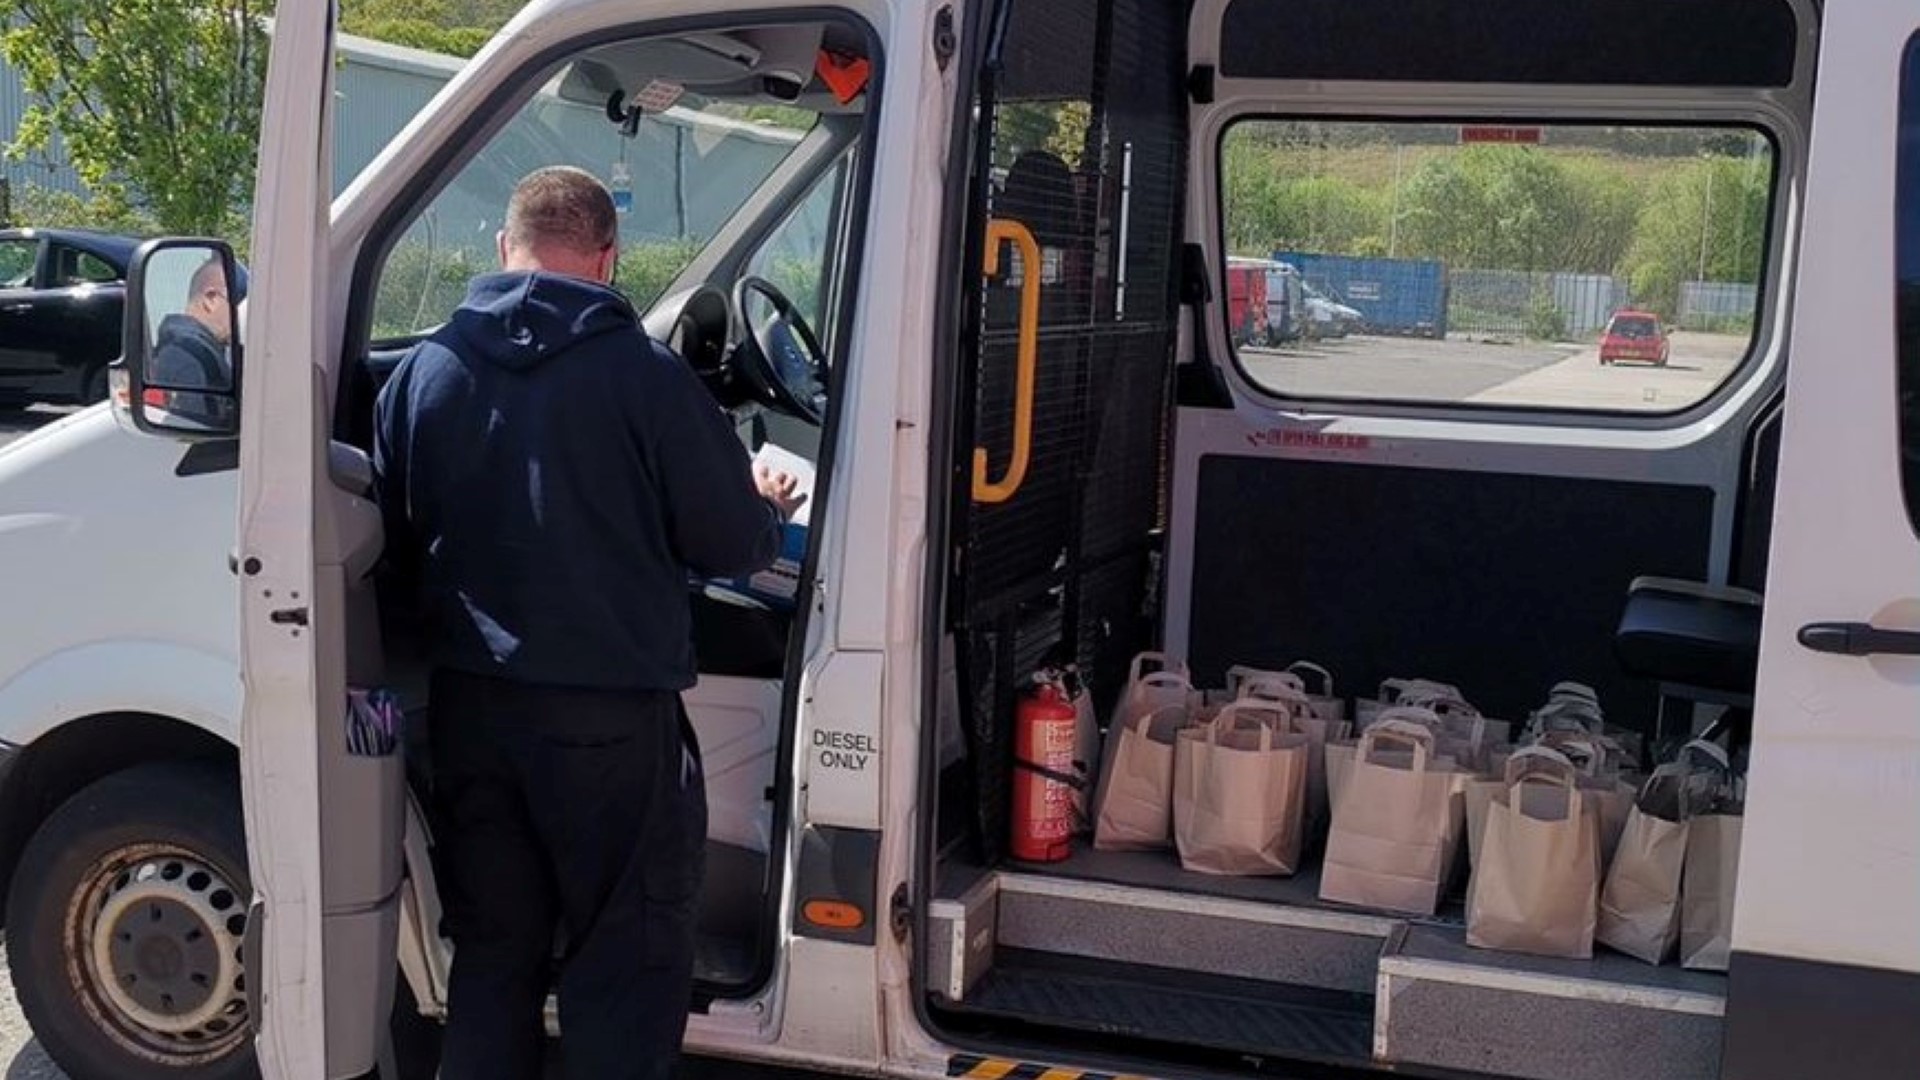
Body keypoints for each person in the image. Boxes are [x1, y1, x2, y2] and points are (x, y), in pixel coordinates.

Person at [372, 166, 804, 1080]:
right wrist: (761, 498)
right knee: (622, 968)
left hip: (470, 717)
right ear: (607, 260)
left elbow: (398, 544)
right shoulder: (644, 379)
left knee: (492, 959)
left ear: (504, 246)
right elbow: (729, 543)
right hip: (609, 731)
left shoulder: (421, 375)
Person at [150, 257, 234, 421]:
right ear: (211, 299)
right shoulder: (191, 354)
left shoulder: (188, 347)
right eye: (238, 303)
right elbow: (197, 428)